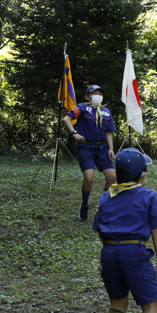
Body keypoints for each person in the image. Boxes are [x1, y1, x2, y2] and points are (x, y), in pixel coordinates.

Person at [92, 148, 157, 313]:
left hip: (109, 253)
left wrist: (112, 251)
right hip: (134, 253)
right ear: (143, 176)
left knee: (117, 303)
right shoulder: (148, 195)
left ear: (117, 174)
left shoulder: (105, 197)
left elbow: (100, 229)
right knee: (150, 305)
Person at [63, 85, 116, 221]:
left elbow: (108, 132)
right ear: (87, 97)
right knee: (89, 178)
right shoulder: (81, 108)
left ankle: (106, 205)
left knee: (112, 177)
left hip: (102, 148)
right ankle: (85, 204)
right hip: (86, 148)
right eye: (94, 93)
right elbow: (66, 119)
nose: (98, 95)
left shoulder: (106, 111)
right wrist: (74, 133)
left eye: (100, 93)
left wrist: (111, 149)